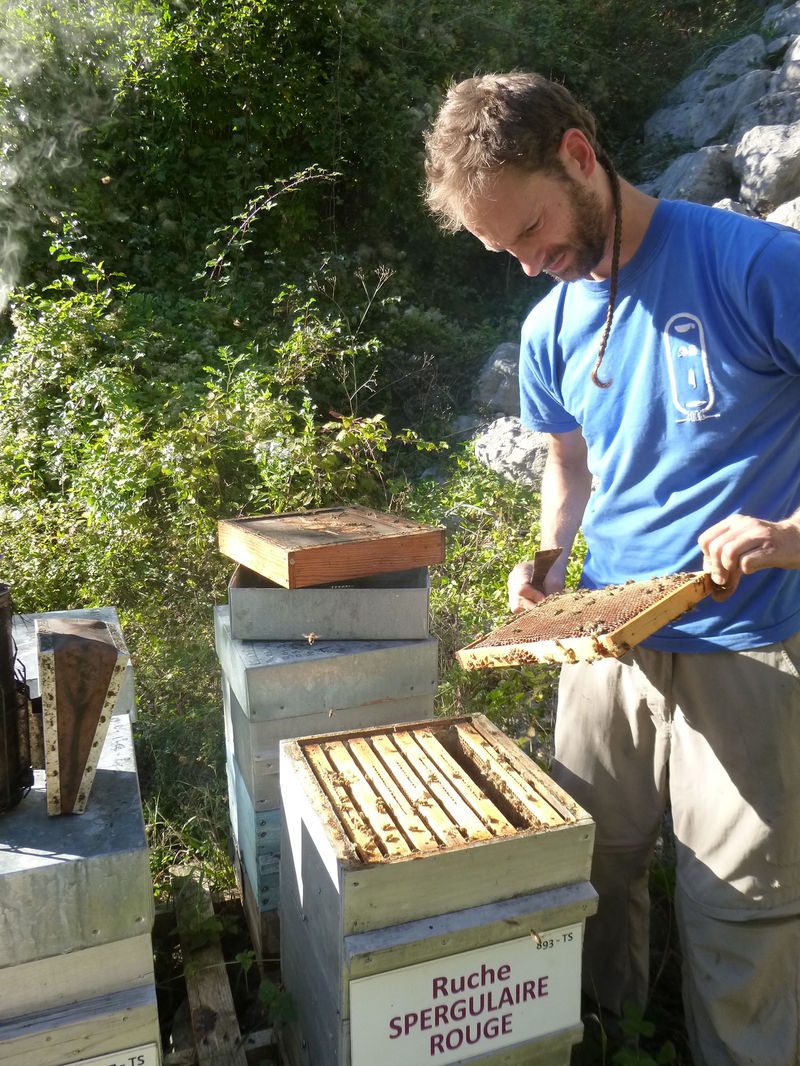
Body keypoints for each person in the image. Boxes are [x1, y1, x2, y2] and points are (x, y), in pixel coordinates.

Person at [423, 73, 800, 1066]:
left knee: (740, 912)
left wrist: (788, 530)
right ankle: (606, 1041)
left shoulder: (754, 266)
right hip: (601, 638)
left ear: (579, 156)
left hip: (750, 644)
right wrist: (545, 554)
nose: (524, 263)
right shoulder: (548, 321)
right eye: (500, 249)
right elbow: (568, 467)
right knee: (584, 875)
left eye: (531, 230)